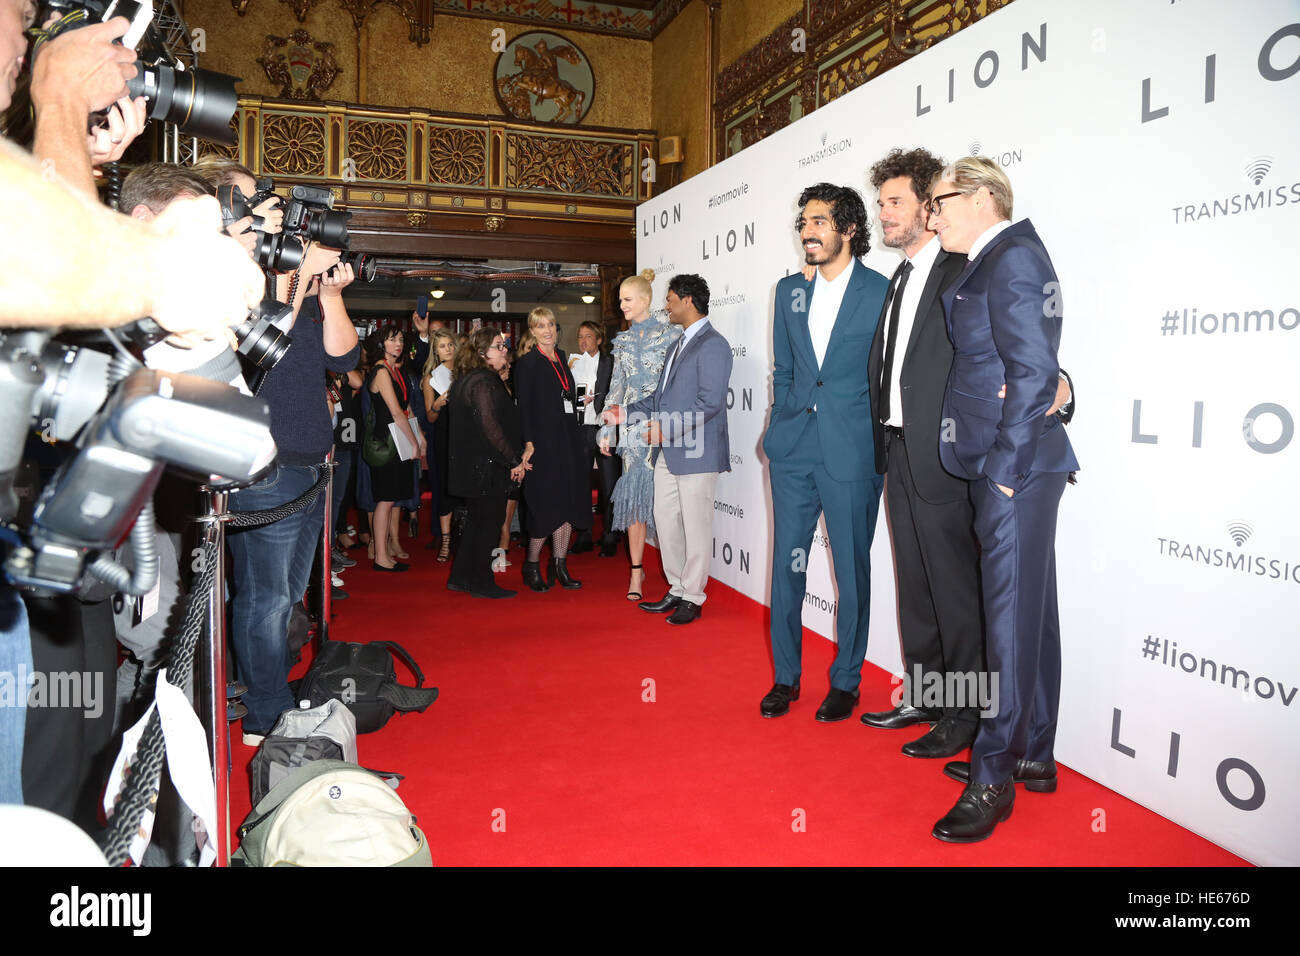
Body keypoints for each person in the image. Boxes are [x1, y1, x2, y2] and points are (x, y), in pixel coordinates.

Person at [857, 148, 1075, 760]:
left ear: (940, 207)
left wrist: (1063, 389)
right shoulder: (901, 275)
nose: (891, 214)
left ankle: (964, 720)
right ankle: (927, 698)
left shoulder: (967, 267)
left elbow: (1023, 358)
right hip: (901, 448)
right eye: (884, 204)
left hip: (956, 455)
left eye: (899, 201)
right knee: (918, 590)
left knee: (959, 594)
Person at [925, 157, 1079, 843]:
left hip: (1013, 467)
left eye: (940, 202)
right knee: (1029, 616)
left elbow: (1035, 371)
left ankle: (994, 776)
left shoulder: (1012, 257)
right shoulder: (993, 259)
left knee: (1010, 622)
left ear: (983, 195)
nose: (933, 217)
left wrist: (1007, 472)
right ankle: (1035, 755)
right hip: (1007, 462)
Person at [761, 183, 889, 723]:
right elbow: (786, 370)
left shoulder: (881, 291)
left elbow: (886, 377)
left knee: (851, 570)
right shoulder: (789, 291)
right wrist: (781, 422)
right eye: (803, 223)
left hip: (851, 451)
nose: (807, 231)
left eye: (818, 221)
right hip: (793, 450)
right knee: (786, 567)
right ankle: (786, 678)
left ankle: (846, 680)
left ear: (848, 229)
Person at [602, 275, 731, 625]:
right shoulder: (678, 344)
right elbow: (658, 399)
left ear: (688, 301)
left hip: (696, 451)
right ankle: (676, 587)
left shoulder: (713, 344)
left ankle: (693, 595)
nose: (666, 305)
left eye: (671, 298)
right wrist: (623, 412)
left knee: (696, 526)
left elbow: (711, 403)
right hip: (668, 451)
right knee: (666, 520)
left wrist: (667, 427)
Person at [599, 270, 681, 600]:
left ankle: (679, 572)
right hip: (633, 429)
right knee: (633, 499)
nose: (622, 307)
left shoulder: (672, 335)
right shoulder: (622, 341)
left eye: (627, 300)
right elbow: (616, 386)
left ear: (645, 301)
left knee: (669, 503)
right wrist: (608, 427)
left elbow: (679, 383)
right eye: (620, 301)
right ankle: (636, 571)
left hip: (665, 426)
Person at [445, 328, 527, 598]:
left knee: (478, 522)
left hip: (475, 465)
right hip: (485, 467)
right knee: (490, 522)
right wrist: (513, 460)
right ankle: (481, 581)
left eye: (503, 345)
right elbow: (490, 427)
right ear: (482, 353)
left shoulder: (468, 379)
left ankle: (460, 576)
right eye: (498, 346)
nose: (504, 349)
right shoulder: (483, 381)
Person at [512, 307, 589, 591]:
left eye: (551, 325)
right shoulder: (528, 363)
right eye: (540, 326)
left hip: (568, 439)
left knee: (568, 502)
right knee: (545, 505)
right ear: (532, 331)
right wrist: (529, 443)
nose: (547, 330)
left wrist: (581, 401)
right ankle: (531, 564)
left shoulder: (563, 358)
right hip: (542, 444)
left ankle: (560, 564)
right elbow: (524, 410)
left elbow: (565, 398)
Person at [365, 325, 424, 572]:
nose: (398, 344)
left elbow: (407, 409)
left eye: (400, 339)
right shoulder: (381, 370)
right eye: (392, 340)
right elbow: (396, 413)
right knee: (385, 500)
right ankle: (380, 556)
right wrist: (414, 442)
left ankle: (384, 552)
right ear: (381, 344)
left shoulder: (394, 370)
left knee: (389, 500)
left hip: (396, 442)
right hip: (385, 443)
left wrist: (420, 436)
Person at [569, 321, 620, 556]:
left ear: (599, 340)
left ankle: (610, 535)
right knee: (580, 484)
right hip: (580, 429)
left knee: (609, 484)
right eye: (580, 336)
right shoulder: (574, 364)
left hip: (605, 428)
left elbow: (618, 392)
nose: (583, 341)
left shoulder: (611, 363)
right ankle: (584, 535)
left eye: (588, 336)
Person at [421, 328, 458, 560]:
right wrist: (438, 403)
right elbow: (430, 417)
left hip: (467, 438)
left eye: (450, 344)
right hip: (444, 437)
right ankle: (445, 540)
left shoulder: (466, 372)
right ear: (435, 350)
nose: (448, 349)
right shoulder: (431, 378)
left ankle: (464, 537)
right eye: (443, 346)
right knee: (445, 489)